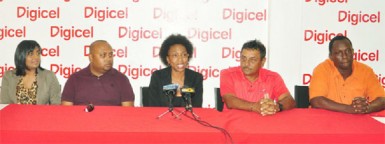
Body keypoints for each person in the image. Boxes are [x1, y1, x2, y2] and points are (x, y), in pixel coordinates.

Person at [309, 36, 385, 114]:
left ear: (352, 52)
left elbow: (382, 99)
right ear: (331, 56)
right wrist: (349, 109)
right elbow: (316, 101)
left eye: (347, 51)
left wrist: (365, 108)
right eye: (339, 53)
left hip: (356, 121)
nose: (344, 56)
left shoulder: (366, 71)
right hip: (325, 120)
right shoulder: (322, 69)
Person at [220, 39, 295, 115]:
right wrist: (254, 106)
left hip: (263, 124)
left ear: (262, 62)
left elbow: (289, 100)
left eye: (252, 60)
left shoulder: (273, 77)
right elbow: (230, 101)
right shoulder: (227, 74)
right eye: (243, 58)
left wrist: (277, 106)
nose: (246, 64)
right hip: (233, 123)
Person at [61, 40, 135, 106]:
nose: (108, 59)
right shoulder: (75, 79)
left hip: (112, 121)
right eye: (103, 55)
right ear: (91, 57)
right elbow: (66, 112)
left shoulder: (121, 79)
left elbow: (128, 113)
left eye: (110, 55)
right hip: (82, 121)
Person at [147, 34, 203, 107]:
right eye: (175, 55)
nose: (180, 60)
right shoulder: (158, 77)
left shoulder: (196, 78)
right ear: (168, 59)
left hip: (188, 118)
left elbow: (197, 108)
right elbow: (153, 107)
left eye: (184, 55)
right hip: (162, 117)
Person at [0, 40, 61, 105]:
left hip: (41, 115)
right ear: (21, 56)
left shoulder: (49, 76)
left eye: (38, 53)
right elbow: (4, 105)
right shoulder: (9, 76)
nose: (36, 57)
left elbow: (56, 105)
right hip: (14, 115)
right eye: (31, 54)